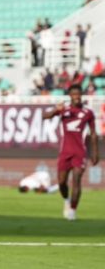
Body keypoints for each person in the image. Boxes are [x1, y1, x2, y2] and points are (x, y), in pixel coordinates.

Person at [42, 84, 99, 220]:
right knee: (62, 182)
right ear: (70, 96)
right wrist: (56, 109)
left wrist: (95, 152)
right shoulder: (64, 109)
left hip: (79, 152)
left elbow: (93, 134)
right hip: (65, 152)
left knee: (77, 179)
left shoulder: (88, 113)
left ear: (81, 95)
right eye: (73, 94)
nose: (76, 97)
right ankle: (66, 201)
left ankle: (73, 210)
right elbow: (45, 116)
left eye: (78, 94)